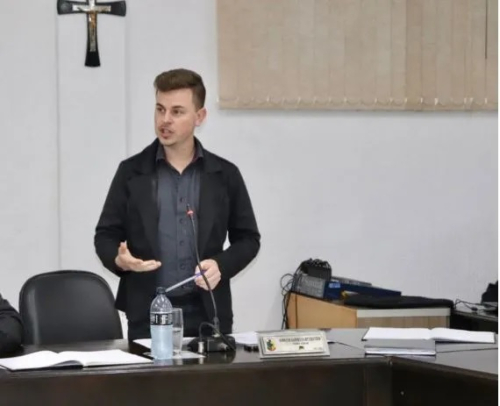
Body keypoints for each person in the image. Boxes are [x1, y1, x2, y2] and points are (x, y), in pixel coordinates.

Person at [95, 68, 260, 340]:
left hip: (209, 313)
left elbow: (248, 239)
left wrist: (221, 265)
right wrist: (119, 260)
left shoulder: (224, 175)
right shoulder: (131, 172)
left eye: (177, 112)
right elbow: (105, 235)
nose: (165, 120)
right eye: (160, 109)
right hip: (148, 314)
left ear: (200, 116)